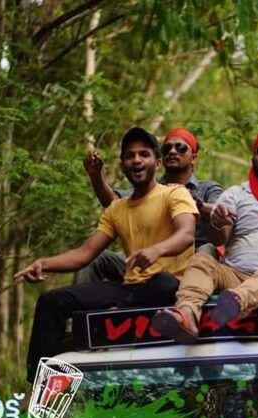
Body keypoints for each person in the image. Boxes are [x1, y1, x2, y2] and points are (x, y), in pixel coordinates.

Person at [15, 127, 197, 382]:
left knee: (165, 282)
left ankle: (103, 325)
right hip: (131, 290)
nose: (136, 160)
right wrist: (43, 264)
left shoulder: (175, 193)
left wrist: (157, 250)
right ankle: (41, 385)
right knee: (51, 301)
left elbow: (186, 233)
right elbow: (85, 253)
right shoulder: (116, 209)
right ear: (123, 164)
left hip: (168, 288)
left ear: (157, 162)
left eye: (143, 154)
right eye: (130, 156)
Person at [152, 128, 258, 343]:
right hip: (234, 274)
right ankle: (186, 314)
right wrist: (217, 221)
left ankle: (236, 303)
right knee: (202, 260)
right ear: (253, 158)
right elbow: (219, 239)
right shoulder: (236, 193)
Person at [80, 127, 222, 282]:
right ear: (159, 159)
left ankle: (193, 293)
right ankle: (84, 304)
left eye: (180, 148)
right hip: (151, 260)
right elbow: (114, 202)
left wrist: (193, 204)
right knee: (98, 258)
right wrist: (96, 176)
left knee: (207, 250)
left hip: (192, 263)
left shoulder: (207, 188)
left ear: (193, 158)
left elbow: (223, 212)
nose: (173, 152)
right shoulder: (149, 188)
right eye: (167, 148)